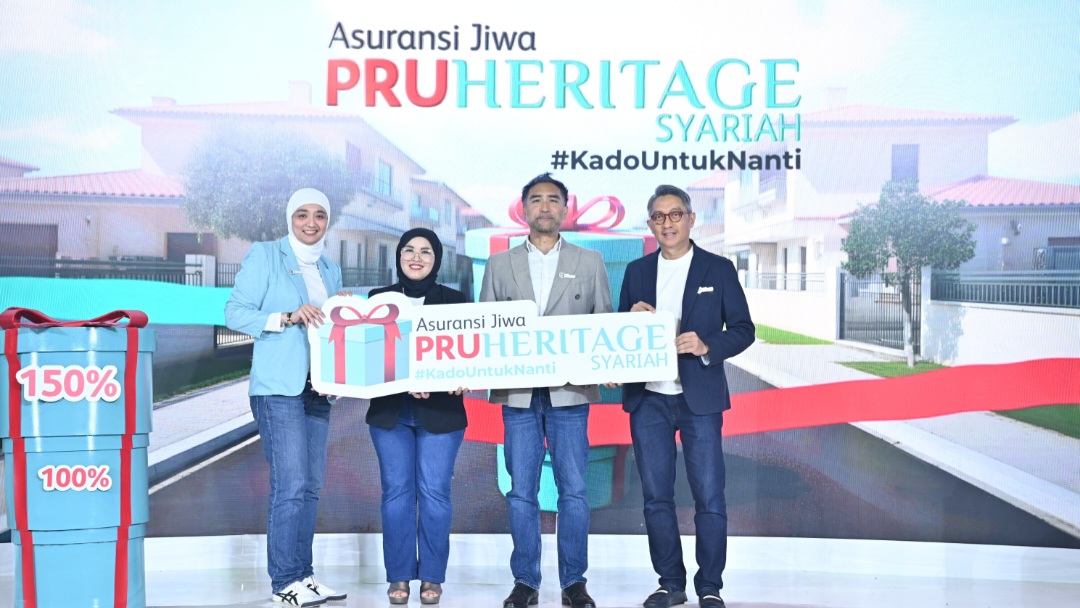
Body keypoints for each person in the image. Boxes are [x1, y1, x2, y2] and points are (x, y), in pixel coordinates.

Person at [616, 185, 755, 608]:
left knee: (709, 496)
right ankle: (670, 584)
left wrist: (707, 345)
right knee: (656, 497)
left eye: (675, 214)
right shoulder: (637, 271)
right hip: (648, 399)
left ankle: (710, 586)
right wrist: (627, 319)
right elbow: (617, 333)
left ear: (691, 219)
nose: (668, 223)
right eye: (659, 216)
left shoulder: (718, 269)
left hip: (700, 400)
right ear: (650, 224)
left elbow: (744, 330)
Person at [479, 173, 612, 608]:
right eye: (536, 199)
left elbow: (604, 323)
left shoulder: (590, 261)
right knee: (522, 491)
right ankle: (526, 582)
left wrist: (609, 364)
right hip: (517, 393)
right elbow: (484, 330)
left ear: (565, 209)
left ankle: (574, 583)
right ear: (524, 209)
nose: (545, 207)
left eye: (553, 200)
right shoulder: (499, 264)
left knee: (574, 489)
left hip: (569, 392)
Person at [225, 188, 346, 607]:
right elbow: (235, 312)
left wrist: (345, 314)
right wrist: (286, 317)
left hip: (318, 390)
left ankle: (304, 575)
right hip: (279, 389)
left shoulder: (330, 269)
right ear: (290, 218)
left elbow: (332, 332)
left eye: (319, 215)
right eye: (302, 215)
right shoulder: (266, 255)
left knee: (310, 487)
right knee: (290, 484)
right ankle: (284, 582)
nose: (311, 223)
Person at [367, 228, 468, 605]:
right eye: (409, 250)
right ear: (398, 256)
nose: (416, 257)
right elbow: (369, 357)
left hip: (441, 413)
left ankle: (432, 576)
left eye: (426, 251)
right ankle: (398, 575)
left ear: (436, 260)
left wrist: (462, 377)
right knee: (396, 493)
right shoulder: (377, 300)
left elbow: (468, 356)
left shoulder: (456, 302)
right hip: (390, 413)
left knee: (435, 493)